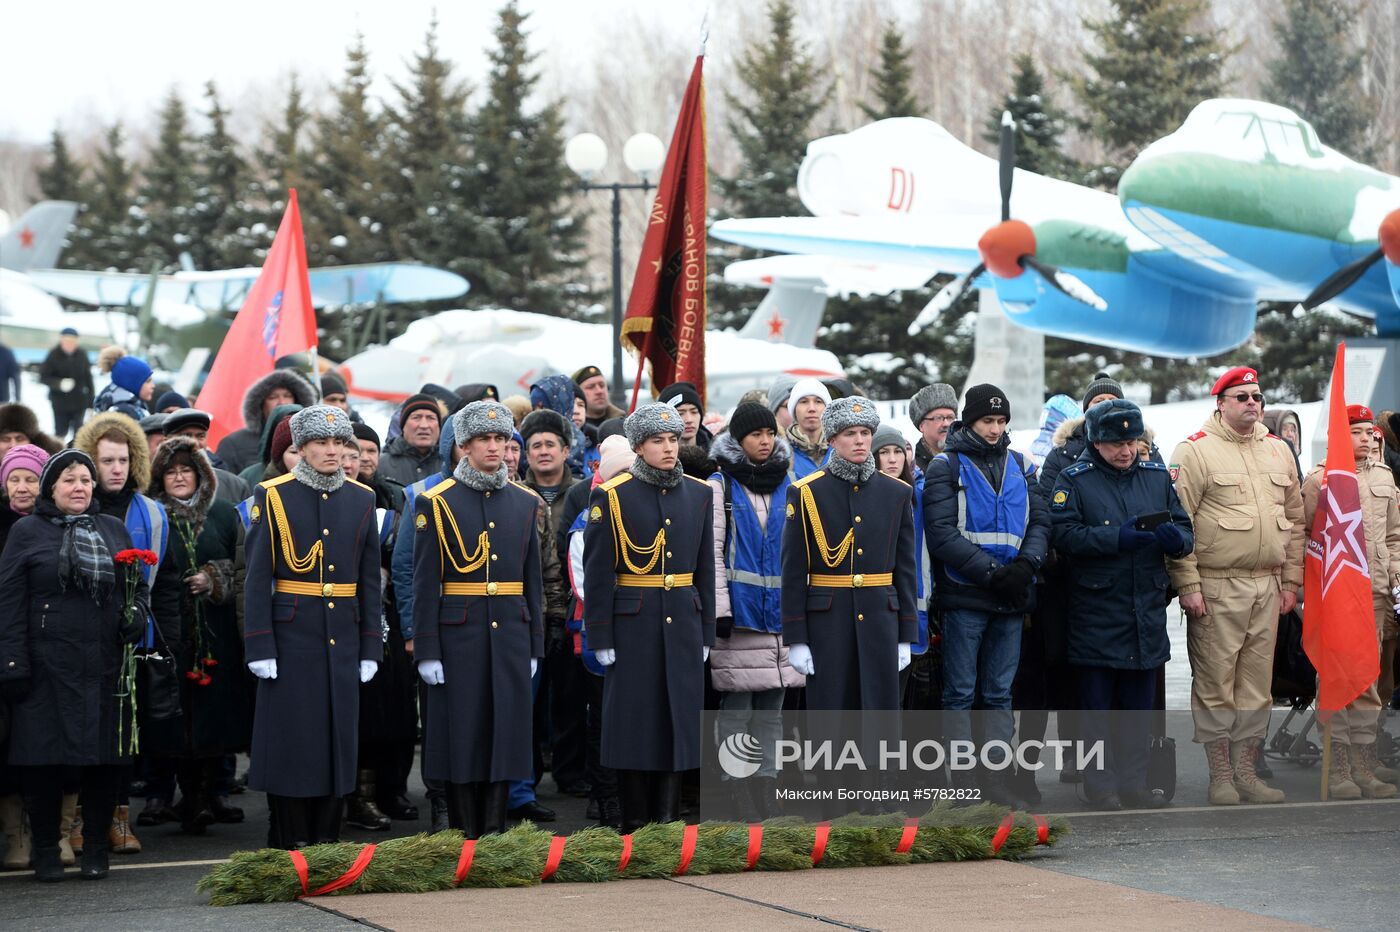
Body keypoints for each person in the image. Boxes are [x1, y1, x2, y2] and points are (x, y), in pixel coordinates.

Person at [0, 450, 150, 881]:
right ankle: (47, 848)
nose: (79, 487)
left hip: (103, 664)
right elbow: (8, 601)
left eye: (85, 479)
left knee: (104, 761)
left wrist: (138, 613)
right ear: (51, 489)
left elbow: (137, 586)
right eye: (69, 480)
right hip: (46, 666)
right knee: (42, 761)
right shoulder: (26, 531)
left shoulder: (113, 528)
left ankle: (96, 848)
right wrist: (12, 662)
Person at [243, 405, 383, 848]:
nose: (331, 452)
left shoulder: (362, 498)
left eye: (338, 443)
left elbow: (368, 582)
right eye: (320, 443)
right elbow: (257, 577)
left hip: (341, 636)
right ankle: (288, 837)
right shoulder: (272, 495)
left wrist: (369, 648)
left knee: (337, 739)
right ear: (299, 448)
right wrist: (260, 644)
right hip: (291, 637)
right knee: (293, 739)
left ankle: (328, 837)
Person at [1168, 366, 1304, 805]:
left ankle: (1247, 771)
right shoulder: (1195, 451)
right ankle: (1220, 775)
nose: (1252, 403)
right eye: (1242, 396)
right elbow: (1178, 524)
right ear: (1221, 403)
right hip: (1216, 585)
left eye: (1256, 396)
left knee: (1256, 687)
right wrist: (1187, 583)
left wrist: (1291, 582)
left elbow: (1297, 522)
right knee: (1215, 683)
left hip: (1267, 585)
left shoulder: (1278, 451)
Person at [1050, 399, 1192, 810]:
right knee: (1097, 708)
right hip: (1097, 607)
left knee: (1137, 707)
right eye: (1115, 444)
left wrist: (1175, 541)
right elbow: (1064, 535)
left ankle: (1135, 782)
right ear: (1096, 442)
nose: (1125, 451)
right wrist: (1114, 539)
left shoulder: (1154, 476)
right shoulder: (1073, 480)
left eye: (1131, 442)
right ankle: (1100, 784)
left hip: (1144, 609)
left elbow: (1185, 529)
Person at [412, 400, 544, 838]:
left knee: (504, 730)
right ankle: (465, 828)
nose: (495, 448)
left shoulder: (525, 503)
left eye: (501, 440)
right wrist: (427, 648)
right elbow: (426, 581)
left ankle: (495, 826)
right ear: (464, 446)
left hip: (509, 632)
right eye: (484, 440)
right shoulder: (436, 502)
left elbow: (532, 584)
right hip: (458, 635)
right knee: (463, 732)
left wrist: (534, 645)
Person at [583, 402, 715, 831]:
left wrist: (706, 630)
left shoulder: (699, 493)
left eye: (673, 439)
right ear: (639, 447)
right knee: (635, 721)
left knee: (678, 718)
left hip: (682, 617)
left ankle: (669, 818)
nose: (668, 448)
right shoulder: (612, 495)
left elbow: (704, 569)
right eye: (658, 441)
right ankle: (635, 820)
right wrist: (599, 635)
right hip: (632, 623)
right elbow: (599, 572)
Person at [923, 384, 1050, 807]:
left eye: (1000, 421)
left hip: (1011, 594)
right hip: (966, 594)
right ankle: (962, 777)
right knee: (960, 692)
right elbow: (941, 534)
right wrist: (994, 573)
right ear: (970, 421)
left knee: (999, 692)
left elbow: (1040, 522)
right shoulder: (947, 466)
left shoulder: (1021, 465)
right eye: (987, 421)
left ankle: (994, 777)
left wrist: (1026, 566)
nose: (995, 429)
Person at [75, 411, 180, 852]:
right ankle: (80, 819)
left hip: (136, 640)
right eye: (106, 461)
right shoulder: (79, 507)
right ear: (89, 463)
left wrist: (166, 643)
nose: (116, 469)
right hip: (83, 642)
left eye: (123, 459)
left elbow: (169, 585)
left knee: (124, 736)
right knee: (84, 735)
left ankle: (119, 818)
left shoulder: (152, 515)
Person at [781, 398, 917, 709]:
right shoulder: (806, 492)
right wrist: (796, 636)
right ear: (831, 440)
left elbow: (905, 570)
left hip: (881, 620)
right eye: (849, 433)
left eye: (865, 432)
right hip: (828, 623)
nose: (859, 441)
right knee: (832, 715)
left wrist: (906, 632)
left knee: (879, 718)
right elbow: (792, 570)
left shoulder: (897, 492)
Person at [143, 436, 251, 832]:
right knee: (174, 718)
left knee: (213, 717)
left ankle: (208, 796)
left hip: (216, 633)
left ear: (200, 474)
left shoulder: (223, 513)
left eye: (185, 469)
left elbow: (242, 567)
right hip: (170, 633)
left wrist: (214, 577)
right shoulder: (153, 517)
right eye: (170, 471)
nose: (178, 477)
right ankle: (177, 797)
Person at [709, 403, 804, 819]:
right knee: (737, 709)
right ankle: (735, 787)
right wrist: (721, 610)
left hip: (781, 616)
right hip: (742, 617)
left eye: (770, 433)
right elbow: (711, 554)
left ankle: (768, 783)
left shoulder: (791, 483)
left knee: (773, 711)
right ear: (738, 440)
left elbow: (802, 553)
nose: (765, 441)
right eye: (755, 435)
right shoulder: (720, 486)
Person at [1302, 405, 1400, 799]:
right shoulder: (1320, 479)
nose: (1367, 438)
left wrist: (1395, 577)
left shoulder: (1384, 476)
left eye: (1369, 432)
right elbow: (1308, 537)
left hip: (1375, 594)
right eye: (1356, 432)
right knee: (1337, 681)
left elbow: (1394, 536)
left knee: (1367, 680)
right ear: (1339, 436)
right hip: (1338, 595)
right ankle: (1339, 768)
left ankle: (1364, 766)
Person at [347, 422, 417, 827]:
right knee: (362, 710)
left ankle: (390, 789)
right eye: (353, 451)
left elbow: (405, 558)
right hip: (346, 615)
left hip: (387, 615)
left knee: (394, 709)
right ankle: (357, 795)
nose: (361, 459)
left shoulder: (392, 498)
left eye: (368, 451)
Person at [520, 410, 586, 798]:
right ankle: (526, 776)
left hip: (572, 610)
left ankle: (570, 772)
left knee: (570, 698)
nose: (543, 453)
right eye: (535, 446)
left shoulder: (580, 492)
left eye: (550, 445)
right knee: (528, 702)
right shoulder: (516, 492)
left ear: (565, 450)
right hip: (532, 611)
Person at [0, 444, 51, 871]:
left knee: (39, 741)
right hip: (6, 646)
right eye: (14, 479)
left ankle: (51, 831)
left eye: (30, 478)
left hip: (45, 647)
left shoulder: (52, 525)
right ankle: (16, 834)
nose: (21, 487)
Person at [873, 423, 932, 704]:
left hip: (914, 605)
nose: (893, 458)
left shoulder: (919, 496)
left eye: (899, 451)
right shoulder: (861, 497)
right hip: (875, 608)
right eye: (884, 452)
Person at [213, 369, 317, 475]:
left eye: (287, 396)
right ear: (261, 405)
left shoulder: (314, 439)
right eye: (273, 397)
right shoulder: (233, 443)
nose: (282, 402)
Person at [162, 409, 251, 505]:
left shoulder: (234, 486)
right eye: (186, 436)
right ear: (166, 441)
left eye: (200, 436)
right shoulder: (152, 486)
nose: (195, 442)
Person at [37, 329, 93, 439]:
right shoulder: (53, 354)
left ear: (77, 341)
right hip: (59, 402)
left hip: (79, 401)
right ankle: (60, 453)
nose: (70, 343)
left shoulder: (82, 354)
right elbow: (43, 377)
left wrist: (91, 401)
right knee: (60, 432)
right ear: (61, 340)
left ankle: (77, 455)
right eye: (67, 340)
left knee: (79, 433)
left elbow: (88, 378)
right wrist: (59, 383)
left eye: (73, 340)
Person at [379, 393, 444, 487]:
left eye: (431, 418)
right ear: (403, 426)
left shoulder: (451, 464)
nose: (424, 425)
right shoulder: (381, 464)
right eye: (416, 418)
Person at [784, 378, 832, 480]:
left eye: (818, 401)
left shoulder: (840, 448)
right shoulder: (781, 452)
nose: (811, 408)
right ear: (794, 409)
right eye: (804, 401)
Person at [908, 383, 958, 472]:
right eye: (938, 418)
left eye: (950, 417)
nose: (946, 424)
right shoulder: (911, 470)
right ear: (921, 426)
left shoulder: (968, 460)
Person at [93, 348, 153, 421]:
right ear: (131, 384)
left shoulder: (133, 407)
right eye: (148, 381)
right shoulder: (124, 414)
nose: (153, 386)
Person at [658, 382, 712, 451]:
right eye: (680, 413)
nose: (689, 420)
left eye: (694, 412)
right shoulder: (652, 458)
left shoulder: (718, 455)